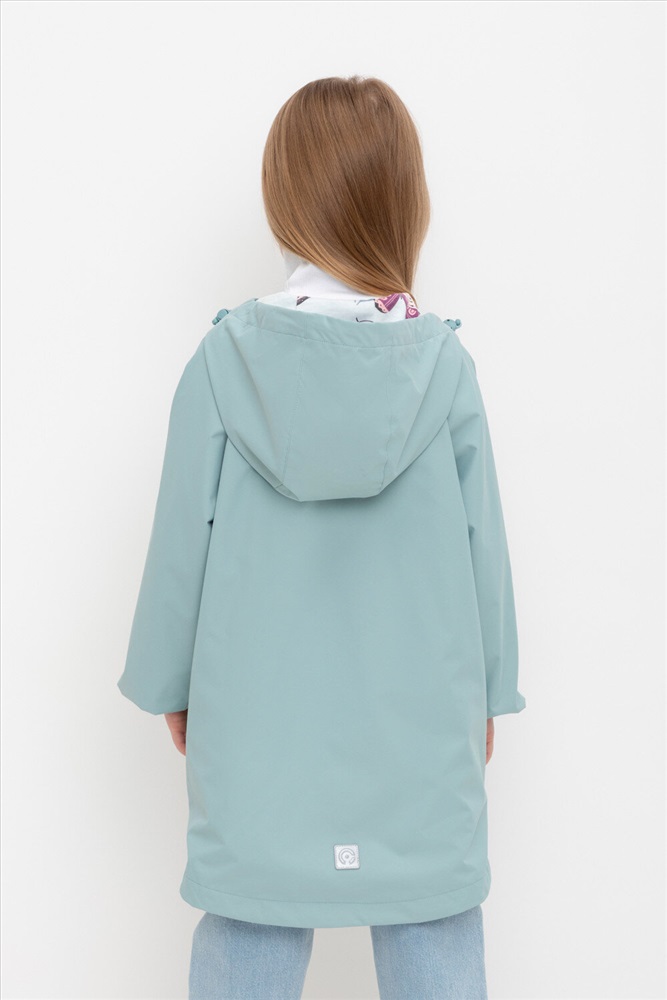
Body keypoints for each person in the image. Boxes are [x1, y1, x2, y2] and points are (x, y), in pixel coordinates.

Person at [118, 75, 526, 1000]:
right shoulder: (444, 365)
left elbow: (179, 542)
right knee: (431, 915)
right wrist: (490, 691)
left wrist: (168, 683)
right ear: (406, 201)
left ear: (283, 197)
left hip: (257, 719)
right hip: (420, 716)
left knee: (252, 913)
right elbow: (484, 549)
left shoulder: (224, 361)